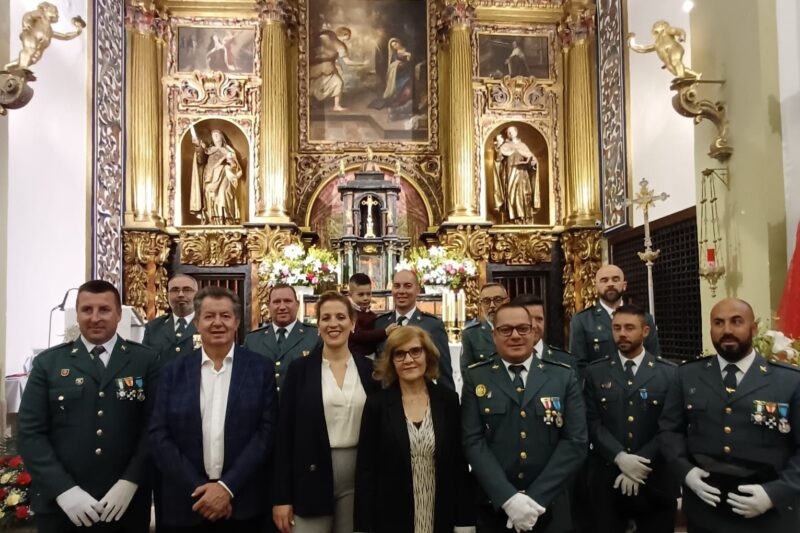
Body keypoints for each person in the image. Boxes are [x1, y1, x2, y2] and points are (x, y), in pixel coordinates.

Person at [19, 280, 159, 532]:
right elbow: (31, 433)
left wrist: (131, 481)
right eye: (86, 310)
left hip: (123, 505)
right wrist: (64, 490)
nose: (95, 318)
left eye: (104, 310)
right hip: (62, 508)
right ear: (77, 314)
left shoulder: (145, 360)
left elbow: (154, 427)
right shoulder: (48, 364)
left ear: (118, 314)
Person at [659, 298, 800, 533]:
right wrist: (686, 472)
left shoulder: (789, 380)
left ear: (753, 328)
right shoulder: (687, 375)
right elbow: (669, 430)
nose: (727, 330)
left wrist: (775, 493)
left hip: (770, 514)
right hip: (706, 510)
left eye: (736, 322)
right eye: (718, 322)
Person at [149, 286, 278, 532]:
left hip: (243, 503)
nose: (217, 323)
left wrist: (226, 487)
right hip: (188, 504)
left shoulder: (260, 369)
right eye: (209, 316)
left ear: (237, 322)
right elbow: (159, 434)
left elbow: (266, 432)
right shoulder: (173, 371)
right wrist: (200, 489)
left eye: (225, 316)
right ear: (197, 322)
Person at [462, 303, 587, 533]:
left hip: (549, 506)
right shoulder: (476, 377)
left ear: (534, 331)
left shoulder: (562, 375)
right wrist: (509, 499)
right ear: (494, 334)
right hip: (495, 506)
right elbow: (473, 440)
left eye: (522, 328)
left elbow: (575, 441)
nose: (515, 336)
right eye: (506, 330)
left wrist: (536, 499)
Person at [272, 292, 380, 533]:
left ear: (352, 323)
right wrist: (281, 497)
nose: (333, 324)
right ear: (317, 325)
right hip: (310, 470)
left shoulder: (369, 369)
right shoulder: (299, 370)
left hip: (358, 473)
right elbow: (284, 435)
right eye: (326, 318)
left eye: (341, 317)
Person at [354, 326, 475, 533]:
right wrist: (363, 527)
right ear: (391, 361)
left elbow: (458, 465)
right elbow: (366, 471)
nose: (408, 360)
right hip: (391, 518)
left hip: (441, 513)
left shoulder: (448, 401)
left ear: (427, 355)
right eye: (399, 354)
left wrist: (464, 521)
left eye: (415, 351)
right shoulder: (377, 405)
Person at [583, 305, 678, 533]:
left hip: (655, 477)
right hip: (608, 477)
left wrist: (641, 462)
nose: (622, 334)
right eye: (616, 328)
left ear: (645, 331)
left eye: (629, 328)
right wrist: (620, 458)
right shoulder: (595, 372)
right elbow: (591, 421)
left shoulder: (669, 373)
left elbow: (671, 424)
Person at [569, 264, 660, 375]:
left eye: (615, 279)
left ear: (624, 285)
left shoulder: (645, 318)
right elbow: (578, 366)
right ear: (595, 286)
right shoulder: (582, 320)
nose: (610, 284)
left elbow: (653, 359)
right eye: (604, 280)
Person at [373, 270, 454, 390]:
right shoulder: (380, 324)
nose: (401, 291)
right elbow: (376, 369)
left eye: (408, 286)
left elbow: (443, 372)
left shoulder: (432, 325)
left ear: (417, 290)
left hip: (421, 396)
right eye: (397, 286)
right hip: (386, 401)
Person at [243, 284, 321, 394]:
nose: (282, 307)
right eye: (276, 302)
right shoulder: (253, 340)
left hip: (300, 408)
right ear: (268, 306)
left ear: (297, 305)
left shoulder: (314, 336)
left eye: (288, 301)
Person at [142, 273, 198, 366]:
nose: (180, 294)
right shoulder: (153, 328)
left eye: (187, 290)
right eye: (175, 290)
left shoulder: (208, 326)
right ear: (167, 295)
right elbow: (143, 365)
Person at [189, 129, 243, 225]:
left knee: (223, 192)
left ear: (222, 137)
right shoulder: (208, 150)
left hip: (223, 175)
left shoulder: (228, 150)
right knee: (210, 195)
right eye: (213, 135)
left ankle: (226, 217)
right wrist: (198, 146)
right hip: (210, 176)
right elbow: (200, 160)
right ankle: (213, 219)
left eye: (217, 134)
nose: (215, 136)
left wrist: (230, 161)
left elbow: (236, 166)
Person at [492, 126, 539, 224]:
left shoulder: (523, 145)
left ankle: (524, 218)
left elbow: (533, 159)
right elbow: (498, 159)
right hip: (510, 173)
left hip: (523, 174)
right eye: (508, 132)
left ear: (516, 133)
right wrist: (499, 147)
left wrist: (532, 162)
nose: (510, 133)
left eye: (512, 131)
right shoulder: (505, 146)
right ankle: (512, 218)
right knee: (511, 194)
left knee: (524, 194)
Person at [512, 294, 574, 367]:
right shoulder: (501, 360)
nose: (534, 325)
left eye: (539, 319)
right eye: (528, 318)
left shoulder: (565, 361)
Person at [460, 283, 509, 372]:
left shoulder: (518, 329)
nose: (492, 306)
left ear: (507, 301)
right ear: (480, 305)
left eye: (497, 300)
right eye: (486, 301)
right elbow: (466, 372)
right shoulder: (471, 334)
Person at [347, 273, 397, 357]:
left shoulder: (371, 314)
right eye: (361, 294)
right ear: (350, 295)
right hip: (356, 357)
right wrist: (384, 332)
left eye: (368, 294)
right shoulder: (349, 313)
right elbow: (358, 335)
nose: (365, 298)